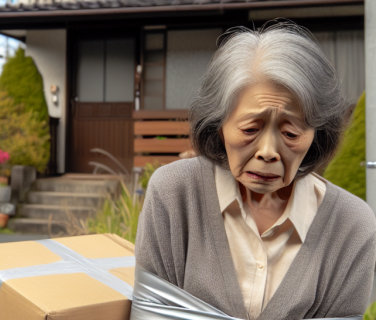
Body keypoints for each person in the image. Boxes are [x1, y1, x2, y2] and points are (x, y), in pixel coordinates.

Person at [132, 21, 376, 319]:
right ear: (218, 123)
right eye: (250, 128)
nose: (268, 152)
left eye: (291, 133)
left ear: (316, 134)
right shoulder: (173, 194)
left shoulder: (352, 226)